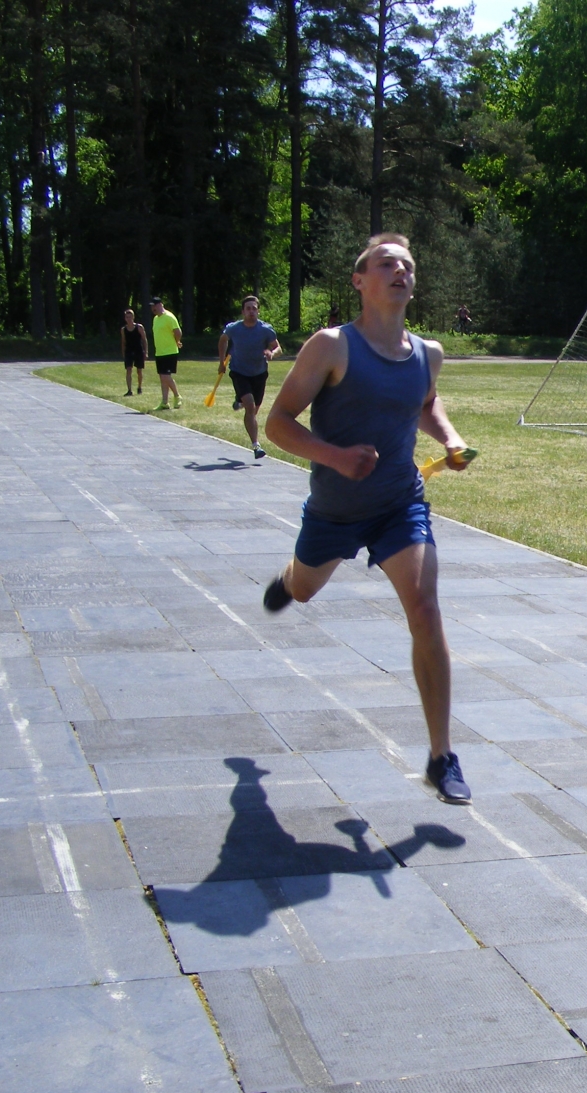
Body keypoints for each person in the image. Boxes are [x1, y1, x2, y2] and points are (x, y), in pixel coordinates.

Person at [261, 232, 474, 801]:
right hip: (334, 511)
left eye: (407, 263)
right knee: (303, 590)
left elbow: (426, 404)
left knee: (426, 609)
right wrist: (335, 456)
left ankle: (440, 756)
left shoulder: (427, 353)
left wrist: (450, 439)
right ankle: (287, 580)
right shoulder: (331, 346)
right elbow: (277, 423)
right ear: (360, 281)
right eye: (386, 263)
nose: (400, 271)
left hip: (398, 505)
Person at [217, 295, 282, 460]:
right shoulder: (234, 328)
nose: (251, 311)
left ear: (258, 311)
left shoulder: (265, 329)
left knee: (252, 411)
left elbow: (278, 348)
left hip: (259, 373)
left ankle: (239, 400)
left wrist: (272, 353)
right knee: (251, 407)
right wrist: (221, 361)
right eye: (248, 308)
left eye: (254, 308)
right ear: (243, 311)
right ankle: (256, 446)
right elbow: (223, 340)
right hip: (239, 371)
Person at [150, 297, 184, 410]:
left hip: (170, 351)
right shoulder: (155, 319)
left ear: (160, 304)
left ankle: (177, 396)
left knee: (166, 376)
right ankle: (165, 402)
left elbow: (177, 331)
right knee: (162, 377)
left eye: (154, 305)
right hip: (159, 352)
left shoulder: (169, 317)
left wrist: (177, 341)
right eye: (151, 306)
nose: (153, 308)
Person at [121, 308, 148, 396]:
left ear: (133, 317)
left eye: (130, 317)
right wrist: (123, 352)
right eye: (127, 317)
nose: (129, 319)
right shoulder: (123, 329)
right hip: (129, 351)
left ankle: (139, 387)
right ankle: (129, 390)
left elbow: (144, 340)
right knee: (128, 370)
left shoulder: (139, 327)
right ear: (125, 318)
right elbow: (123, 341)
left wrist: (146, 352)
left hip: (138, 350)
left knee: (139, 371)